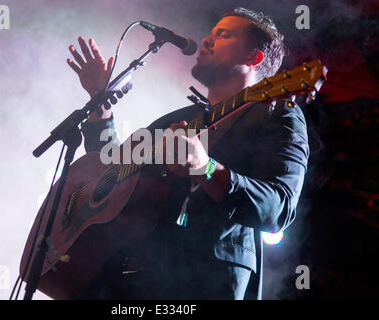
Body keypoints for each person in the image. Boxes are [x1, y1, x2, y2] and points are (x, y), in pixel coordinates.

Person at [66, 7, 309, 300]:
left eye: (224, 34)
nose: (207, 39)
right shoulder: (176, 119)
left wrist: (205, 168)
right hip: (132, 276)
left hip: (205, 282)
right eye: (212, 32)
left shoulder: (278, 114)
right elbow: (112, 167)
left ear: (253, 58)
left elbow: (279, 208)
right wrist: (99, 103)